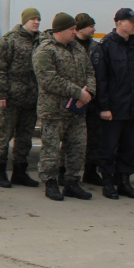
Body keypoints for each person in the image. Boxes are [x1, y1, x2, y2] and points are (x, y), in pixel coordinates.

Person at [33, 13, 96, 201]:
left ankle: (72, 182)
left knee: (77, 147)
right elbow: (48, 80)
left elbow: (91, 72)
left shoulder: (78, 49)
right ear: (60, 30)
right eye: (71, 29)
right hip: (54, 110)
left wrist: (89, 93)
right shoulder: (45, 50)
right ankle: (50, 182)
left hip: (76, 111)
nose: (74, 33)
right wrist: (79, 93)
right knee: (51, 149)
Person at [90, 7, 134, 200]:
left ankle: (124, 182)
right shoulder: (106, 46)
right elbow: (101, 80)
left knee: (128, 147)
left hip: (133, 108)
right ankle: (108, 182)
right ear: (119, 23)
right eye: (131, 22)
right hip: (114, 109)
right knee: (108, 147)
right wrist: (104, 107)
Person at [0, 8, 42, 189]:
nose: (36, 22)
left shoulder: (41, 41)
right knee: (5, 135)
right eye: (33, 19)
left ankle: (20, 171)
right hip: (12, 97)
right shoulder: (9, 40)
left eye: (38, 19)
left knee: (25, 137)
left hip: (31, 97)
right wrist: (1, 94)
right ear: (25, 20)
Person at [74, 13, 103, 186]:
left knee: (94, 137)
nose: (94, 29)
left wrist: (91, 92)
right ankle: (66, 171)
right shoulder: (71, 46)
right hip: (74, 98)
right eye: (91, 26)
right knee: (72, 139)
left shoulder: (96, 47)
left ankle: (90, 171)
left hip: (93, 98)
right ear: (80, 28)